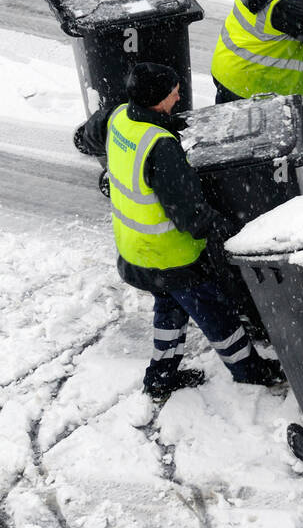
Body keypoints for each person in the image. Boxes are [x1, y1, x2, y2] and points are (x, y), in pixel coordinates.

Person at [82, 62, 285, 399]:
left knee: (170, 310)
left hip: (136, 250)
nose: (179, 93)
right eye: (173, 90)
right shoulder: (160, 147)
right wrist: (237, 231)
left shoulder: (120, 116)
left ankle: (160, 378)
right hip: (170, 256)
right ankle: (251, 373)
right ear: (158, 99)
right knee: (217, 316)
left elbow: (89, 136)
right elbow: (190, 215)